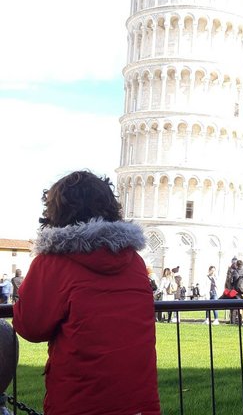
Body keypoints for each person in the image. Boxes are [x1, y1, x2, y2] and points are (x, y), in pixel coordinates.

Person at [12, 170, 161, 415]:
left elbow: (31, 327)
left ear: (56, 211)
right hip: (139, 401)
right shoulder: (133, 261)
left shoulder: (53, 262)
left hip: (79, 401)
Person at [231, 260, 243, 326]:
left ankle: (240, 322)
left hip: (237, 293)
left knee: (239, 307)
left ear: (237, 265)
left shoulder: (234, 272)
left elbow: (231, 282)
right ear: (242, 265)